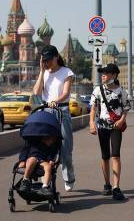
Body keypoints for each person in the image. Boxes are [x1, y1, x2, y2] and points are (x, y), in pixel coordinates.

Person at [33, 45, 75, 192]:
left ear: (56, 57)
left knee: (65, 148)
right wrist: (41, 72)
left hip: (61, 110)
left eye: (49, 60)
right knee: (44, 147)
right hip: (46, 112)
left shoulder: (66, 72)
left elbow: (65, 93)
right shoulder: (44, 72)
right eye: (45, 60)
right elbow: (37, 92)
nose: (47, 63)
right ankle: (44, 178)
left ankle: (69, 177)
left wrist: (55, 102)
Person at [89, 63, 130, 200]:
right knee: (105, 156)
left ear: (114, 75)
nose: (103, 75)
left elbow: (125, 108)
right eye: (102, 73)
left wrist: (122, 120)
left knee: (116, 155)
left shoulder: (121, 91)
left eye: (106, 73)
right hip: (102, 127)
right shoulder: (97, 90)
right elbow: (93, 108)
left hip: (116, 127)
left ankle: (116, 187)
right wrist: (91, 123)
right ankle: (107, 184)